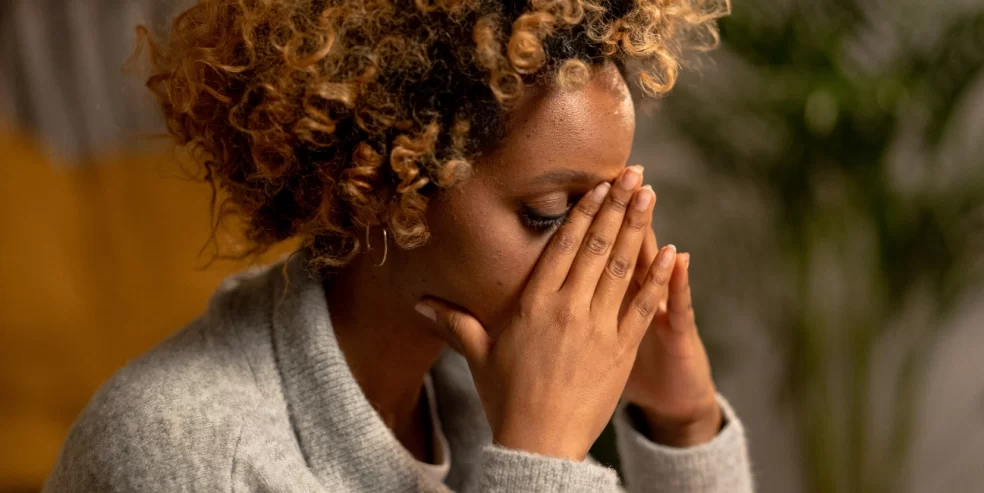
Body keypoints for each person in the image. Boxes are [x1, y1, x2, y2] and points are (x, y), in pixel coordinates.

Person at [45, 0, 752, 491]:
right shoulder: (181, 455)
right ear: (388, 182)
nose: (599, 254)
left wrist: (681, 422)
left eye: (607, 204)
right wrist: (541, 460)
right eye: (546, 212)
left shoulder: (475, 389)